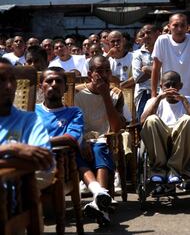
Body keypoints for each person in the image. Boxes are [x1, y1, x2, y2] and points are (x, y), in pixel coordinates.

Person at [35, 66, 113, 226]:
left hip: (61, 164)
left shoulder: (74, 112)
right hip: (34, 162)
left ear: (65, 87)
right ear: (40, 86)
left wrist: (37, 141)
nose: (54, 84)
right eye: (49, 81)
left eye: (58, 81)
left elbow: (71, 138)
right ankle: (99, 193)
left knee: (82, 150)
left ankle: (99, 195)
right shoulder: (31, 111)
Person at [75, 55, 126, 225]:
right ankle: (102, 201)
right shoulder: (78, 95)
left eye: (107, 71)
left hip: (104, 139)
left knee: (100, 147)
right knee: (91, 148)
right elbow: (76, 124)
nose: (104, 75)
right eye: (99, 71)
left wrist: (105, 95)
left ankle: (99, 202)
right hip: (83, 139)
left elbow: (116, 127)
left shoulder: (115, 94)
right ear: (90, 74)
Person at [140, 71, 190, 187]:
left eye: (174, 85)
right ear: (161, 87)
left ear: (180, 86)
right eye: (167, 85)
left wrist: (184, 101)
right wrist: (158, 99)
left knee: (187, 119)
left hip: (181, 138)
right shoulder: (153, 101)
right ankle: (159, 170)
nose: (171, 88)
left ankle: (174, 170)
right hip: (160, 139)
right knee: (151, 119)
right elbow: (143, 122)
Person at [0, 58, 53, 187]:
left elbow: (44, 162)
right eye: (1, 79)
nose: (9, 86)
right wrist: (12, 148)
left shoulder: (30, 120)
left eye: (12, 79)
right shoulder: (14, 147)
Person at [151, 13, 190, 98]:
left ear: (187, 27)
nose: (179, 29)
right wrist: (153, 95)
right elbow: (156, 69)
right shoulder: (162, 40)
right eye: (175, 25)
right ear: (169, 27)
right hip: (167, 95)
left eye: (182, 25)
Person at [132, 24, 158, 120]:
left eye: (149, 33)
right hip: (144, 94)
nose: (146, 36)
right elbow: (137, 78)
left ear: (157, 34)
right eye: (143, 34)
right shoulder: (137, 54)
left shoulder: (163, 51)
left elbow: (167, 72)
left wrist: (147, 69)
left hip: (162, 92)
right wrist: (158, 70)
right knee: (143, 124)